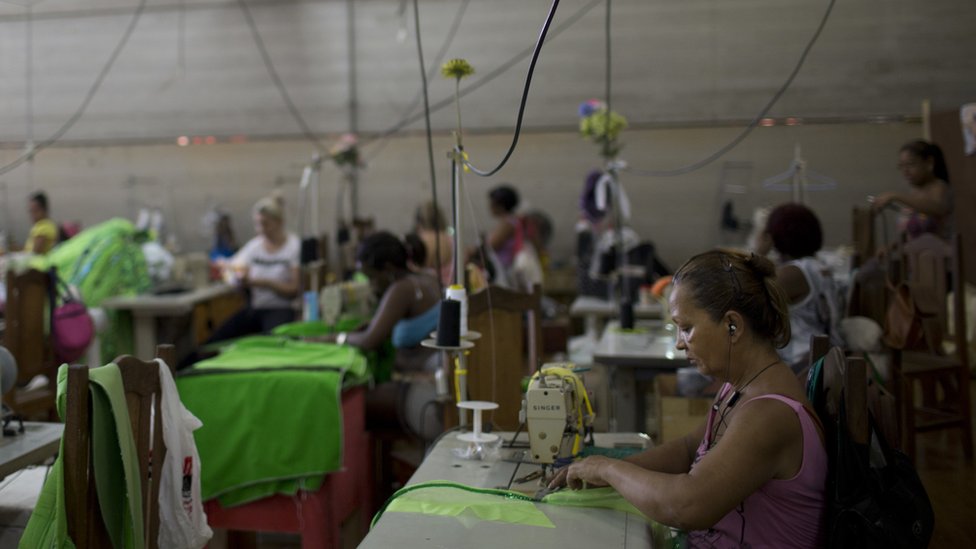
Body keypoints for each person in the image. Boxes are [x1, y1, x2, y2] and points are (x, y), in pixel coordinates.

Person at [550, 250, 827, 547]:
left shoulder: (769, 414)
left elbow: (687, 506)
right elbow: (686, 451)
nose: (680, 344)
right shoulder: (739, 388)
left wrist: (609, 468)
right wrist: (602, 475)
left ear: (732, 325)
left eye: (687, 328)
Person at [318, 231, 443, 438]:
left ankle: (369, 466)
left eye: (371, 278)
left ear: (388, 269)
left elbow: (368, 341)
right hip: (433, 380)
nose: (372, 285)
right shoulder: (427, 278)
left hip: (424, 392)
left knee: (342, 402)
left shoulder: (402, 289)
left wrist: (334, 338)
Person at [756, 203, 843, 370]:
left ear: (775, 237)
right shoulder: (817, 267)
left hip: (800, 362)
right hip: (825, 355)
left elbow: (744, 299)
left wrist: (758, 253)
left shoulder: (792, 274)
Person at [209, 194, 300, 342]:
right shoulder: (255, 246)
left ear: (279, 222)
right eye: (257, 224)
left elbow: (294, 289)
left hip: (281, 308)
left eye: (265, 224)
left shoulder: (293, 247)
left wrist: (262, 283)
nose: (261, 229)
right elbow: (233, 265)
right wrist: (233, 273)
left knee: (273, 343)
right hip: (255, 308)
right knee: (216, 341)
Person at [872, 139, 952, 241]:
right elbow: (910, 233)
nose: (905, 171)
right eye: (901, 166)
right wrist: (892, 247)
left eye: (910, 164)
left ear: (929, 163)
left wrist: (895, 196)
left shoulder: (939, 186)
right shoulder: (914, 192)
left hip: (937, 254)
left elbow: (937, 208)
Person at [413, 201, 454, 286]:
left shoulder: (423, 240)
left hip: (431, 290)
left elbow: (416, 269)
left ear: (419, 221)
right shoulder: (451, 239)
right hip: (452, 288)